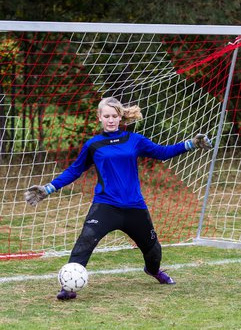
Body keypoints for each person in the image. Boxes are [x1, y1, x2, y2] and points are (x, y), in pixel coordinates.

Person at [24, 97, 212, 300]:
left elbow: (162, 153)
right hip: (106, 206)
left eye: (114, 116)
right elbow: (74, 171)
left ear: (120, 117)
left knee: (153, 252)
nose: (111, 120)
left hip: (134, 207)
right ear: (99, 118)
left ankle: (153, 271)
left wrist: (191, 144)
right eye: (106, 116)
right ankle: (68, 288)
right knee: (84, 243)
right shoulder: (93, 145)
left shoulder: (134, 140)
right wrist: (48, 188)